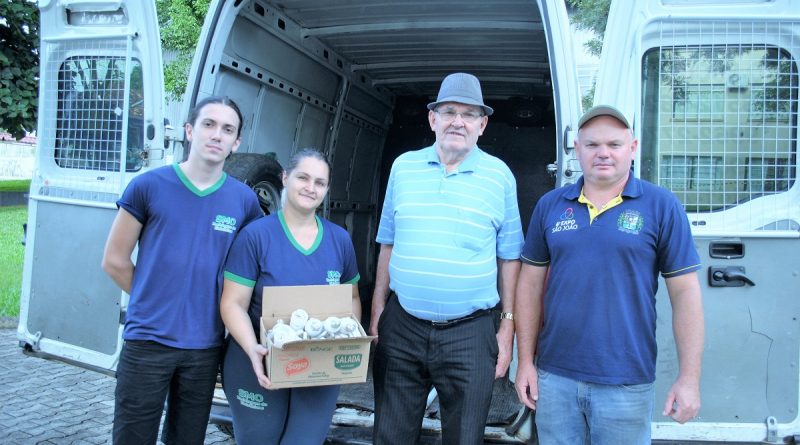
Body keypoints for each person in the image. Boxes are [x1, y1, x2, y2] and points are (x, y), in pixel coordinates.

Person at [514, 105, 705, 444]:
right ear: (577, 149)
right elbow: (529, 286)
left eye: (614, 145)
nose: (603, 153)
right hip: (555, 379)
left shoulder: (661, 206)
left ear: (632, 148)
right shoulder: (551, 205)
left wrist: (688, 379)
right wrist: (525, 362)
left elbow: (685, 295)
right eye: (592, 145)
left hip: (625, 382)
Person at [370, 72, 523, 445]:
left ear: (482, 125)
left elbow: (510, 260)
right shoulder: (403, 168)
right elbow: (387, 243)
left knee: (464, 438)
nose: (458, 121)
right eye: (449, 111)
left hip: (470, 333)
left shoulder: (500, 176)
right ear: (432, 118)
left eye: (469, 114)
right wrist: (377, 312)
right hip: (402, 326)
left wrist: (507, 330)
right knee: (390, 435)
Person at [101, 96, 263, 444]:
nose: (216, 135)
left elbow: (251, 270)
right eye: (208, 124)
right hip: (147, 341)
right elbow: (114, 260)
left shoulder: (244, 202)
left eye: (227, 129)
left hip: (204, 347)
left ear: (236, 143)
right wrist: (155, 299)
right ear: (190, 131)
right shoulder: (148, 186)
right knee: (132, 437)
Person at [219, 148, 361, 445]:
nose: (311, 188)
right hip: (258, 363)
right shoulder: (256, 236)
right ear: (285, 177)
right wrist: (253, 349)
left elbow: (351, 300)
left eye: (320, 182)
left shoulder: (339, 240)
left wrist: (345, 345)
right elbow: (232, 304)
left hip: (317, 367)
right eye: (303, 177)